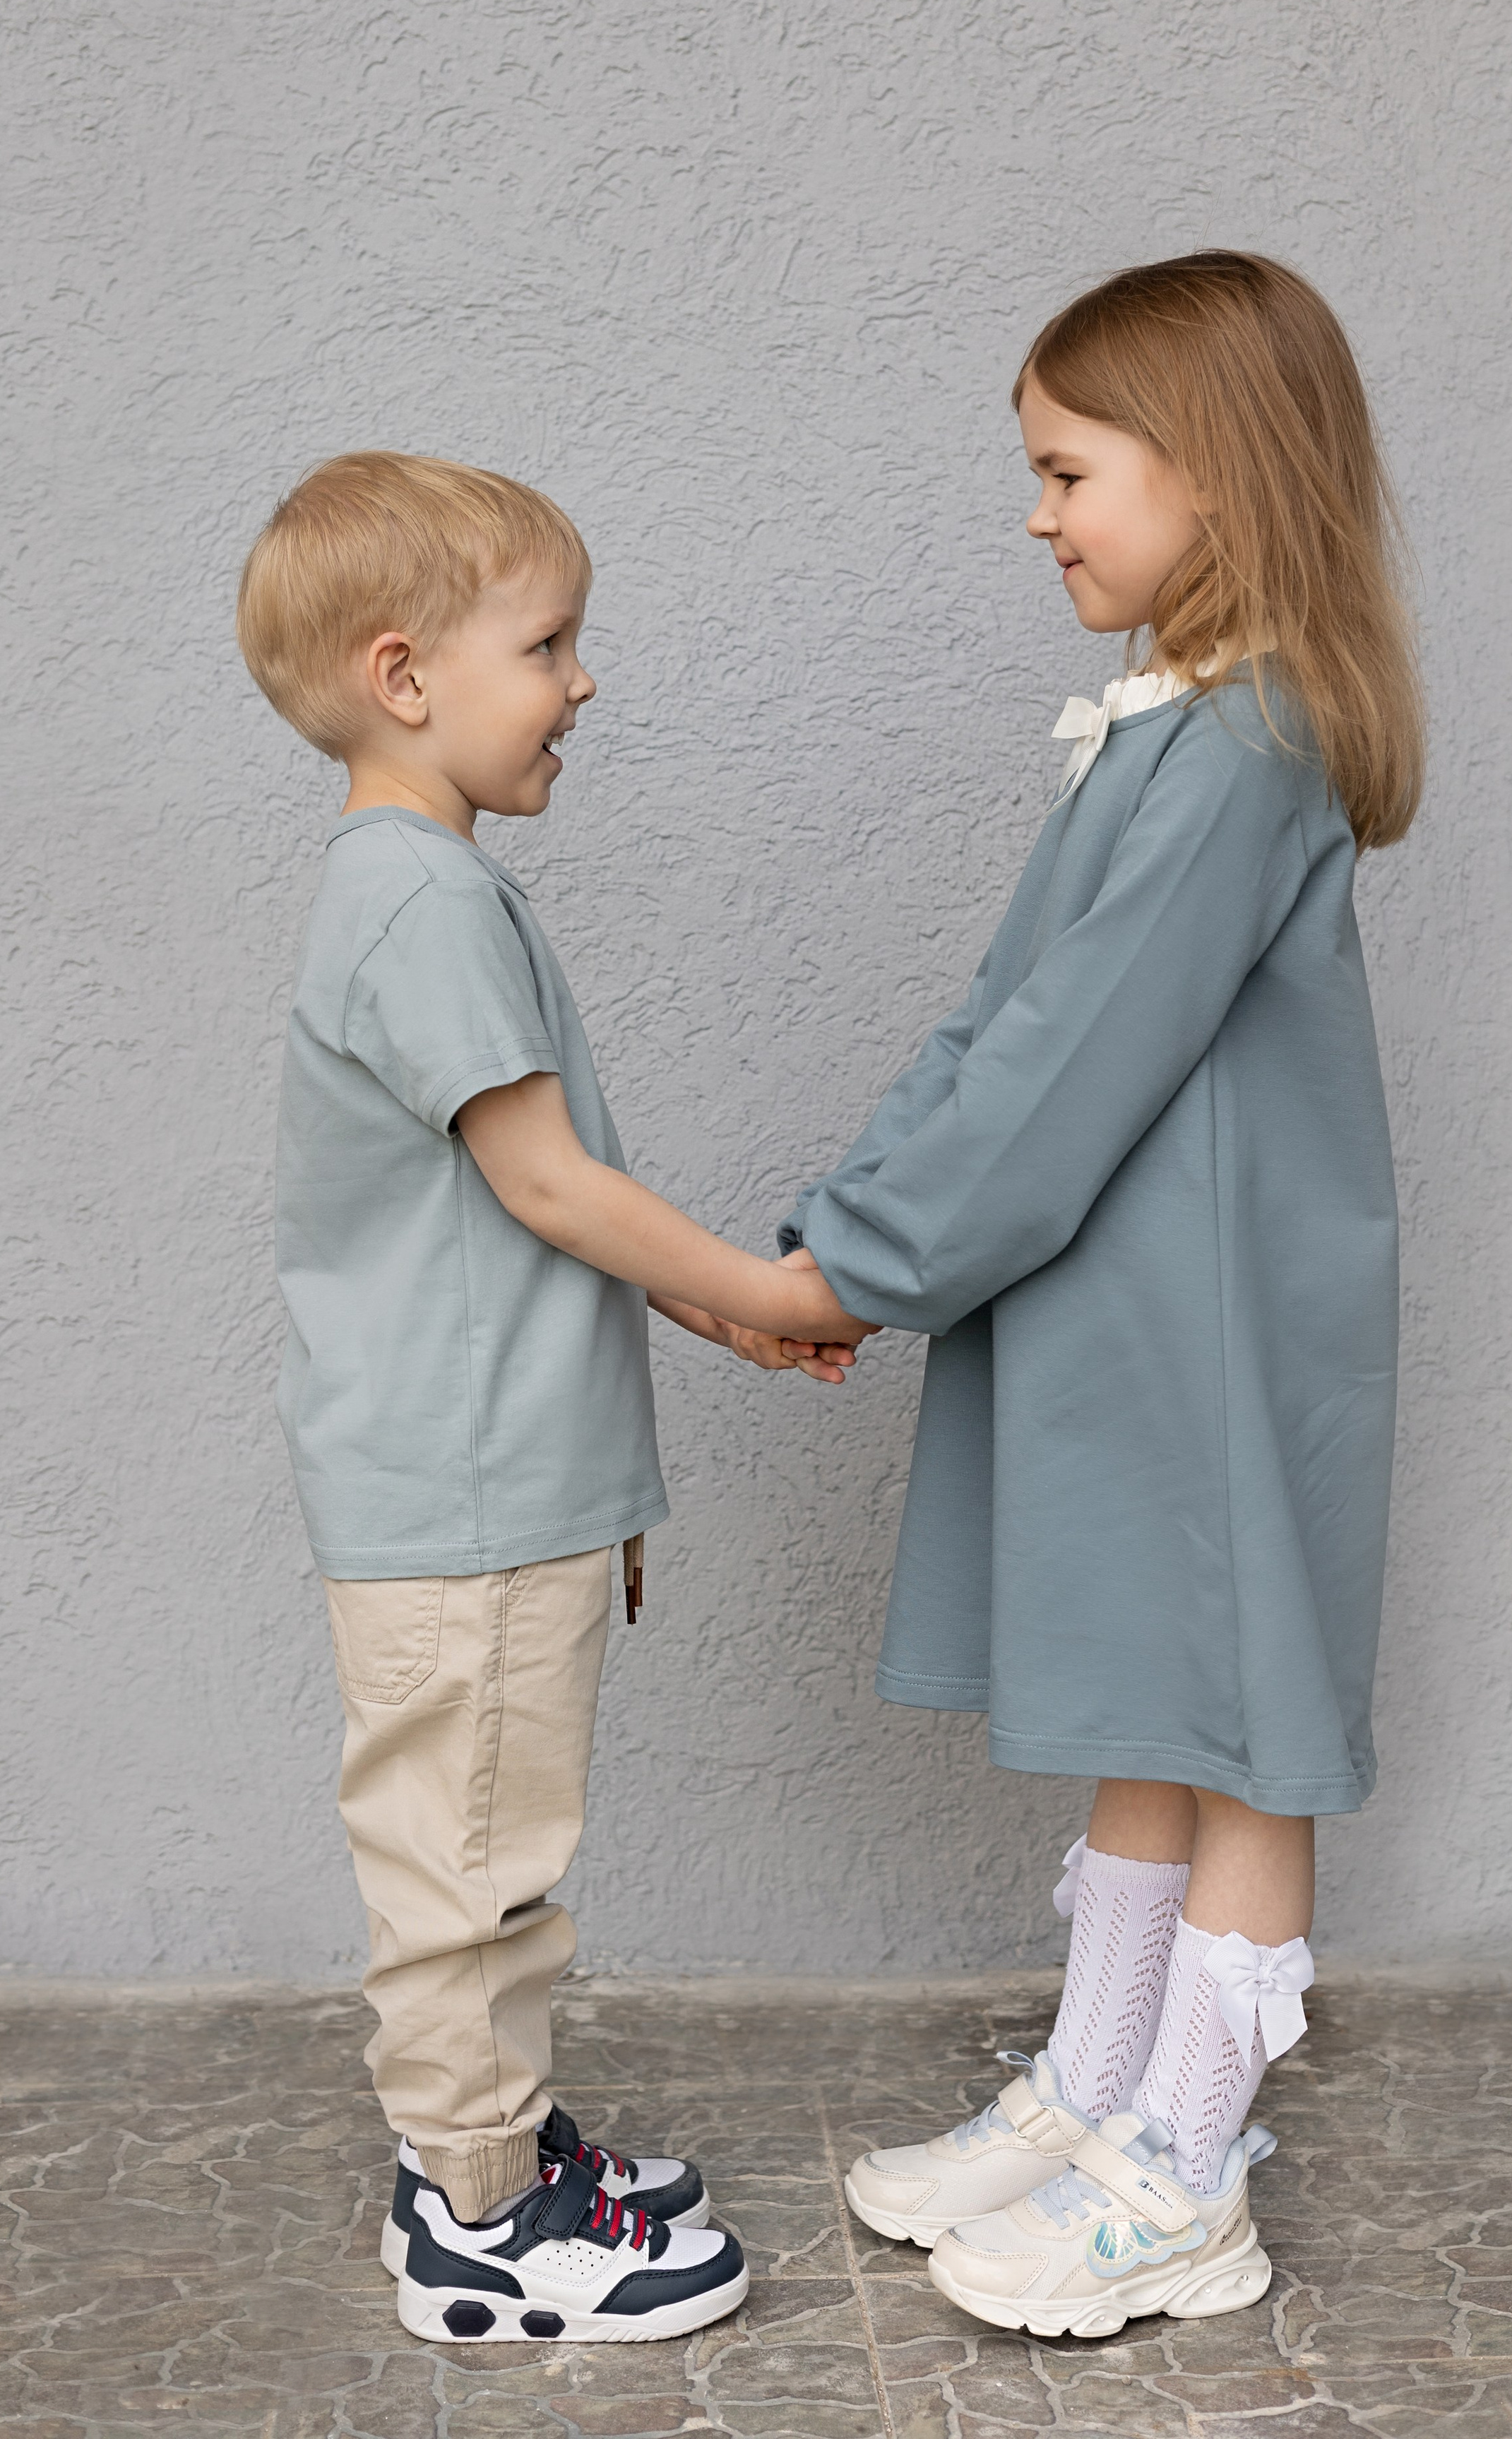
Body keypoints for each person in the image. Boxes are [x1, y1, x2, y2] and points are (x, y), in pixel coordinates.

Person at [780, 252, 1422, 2337]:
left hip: (1219, 1329)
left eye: (1069, 470)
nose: (1039, 515)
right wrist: (847, 1221)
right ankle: (1095, 2087)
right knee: (1158, 1696)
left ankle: (1189, 2160)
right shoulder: (1167, 733)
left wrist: (854, 1267)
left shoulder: (1248, 749)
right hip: (1134, 1316)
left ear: (1214, 475)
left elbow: (1060, 1076)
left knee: (1238, 1724)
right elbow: (1005, 1020)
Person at [236, 451, 869, 2346]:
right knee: (474, 1869)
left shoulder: (422, 889)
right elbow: (545, 1181)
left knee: (490, 1849)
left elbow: (519, 1201)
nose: (583, 681)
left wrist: (708, 1327)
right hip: (472, 1495)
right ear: (409, 674)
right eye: (552, 642)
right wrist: (755, 1284)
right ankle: (481, 2219)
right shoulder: (416, 900)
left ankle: (496, 2150)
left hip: (484, 1478)